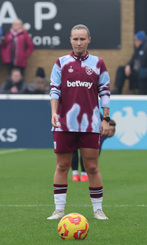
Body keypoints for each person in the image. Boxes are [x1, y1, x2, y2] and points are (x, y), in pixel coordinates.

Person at [47, 24, 111, 220]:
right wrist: (54, 113)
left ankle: (98, 209)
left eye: (82, 39)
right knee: (62, 166)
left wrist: (105, 118)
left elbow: (105, 91)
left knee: (92, 166)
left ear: (89, 40)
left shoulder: (98, 63)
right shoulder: (61, 63)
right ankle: (58, 210)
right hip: (64, 123)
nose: (79, 42)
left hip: (90, 124)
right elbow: (54, 90)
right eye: (75, 39)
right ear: (70, 40)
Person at [111, 30, 147, 95]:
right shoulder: (137, 49)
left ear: (140, 40)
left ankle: (142, 93)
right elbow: (133, 59)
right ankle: (117, 90)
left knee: (142, 73)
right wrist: (128, 65)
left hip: (143, 70)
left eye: (136, 40)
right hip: (135, 71)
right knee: (121, 69)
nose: (135, 42)